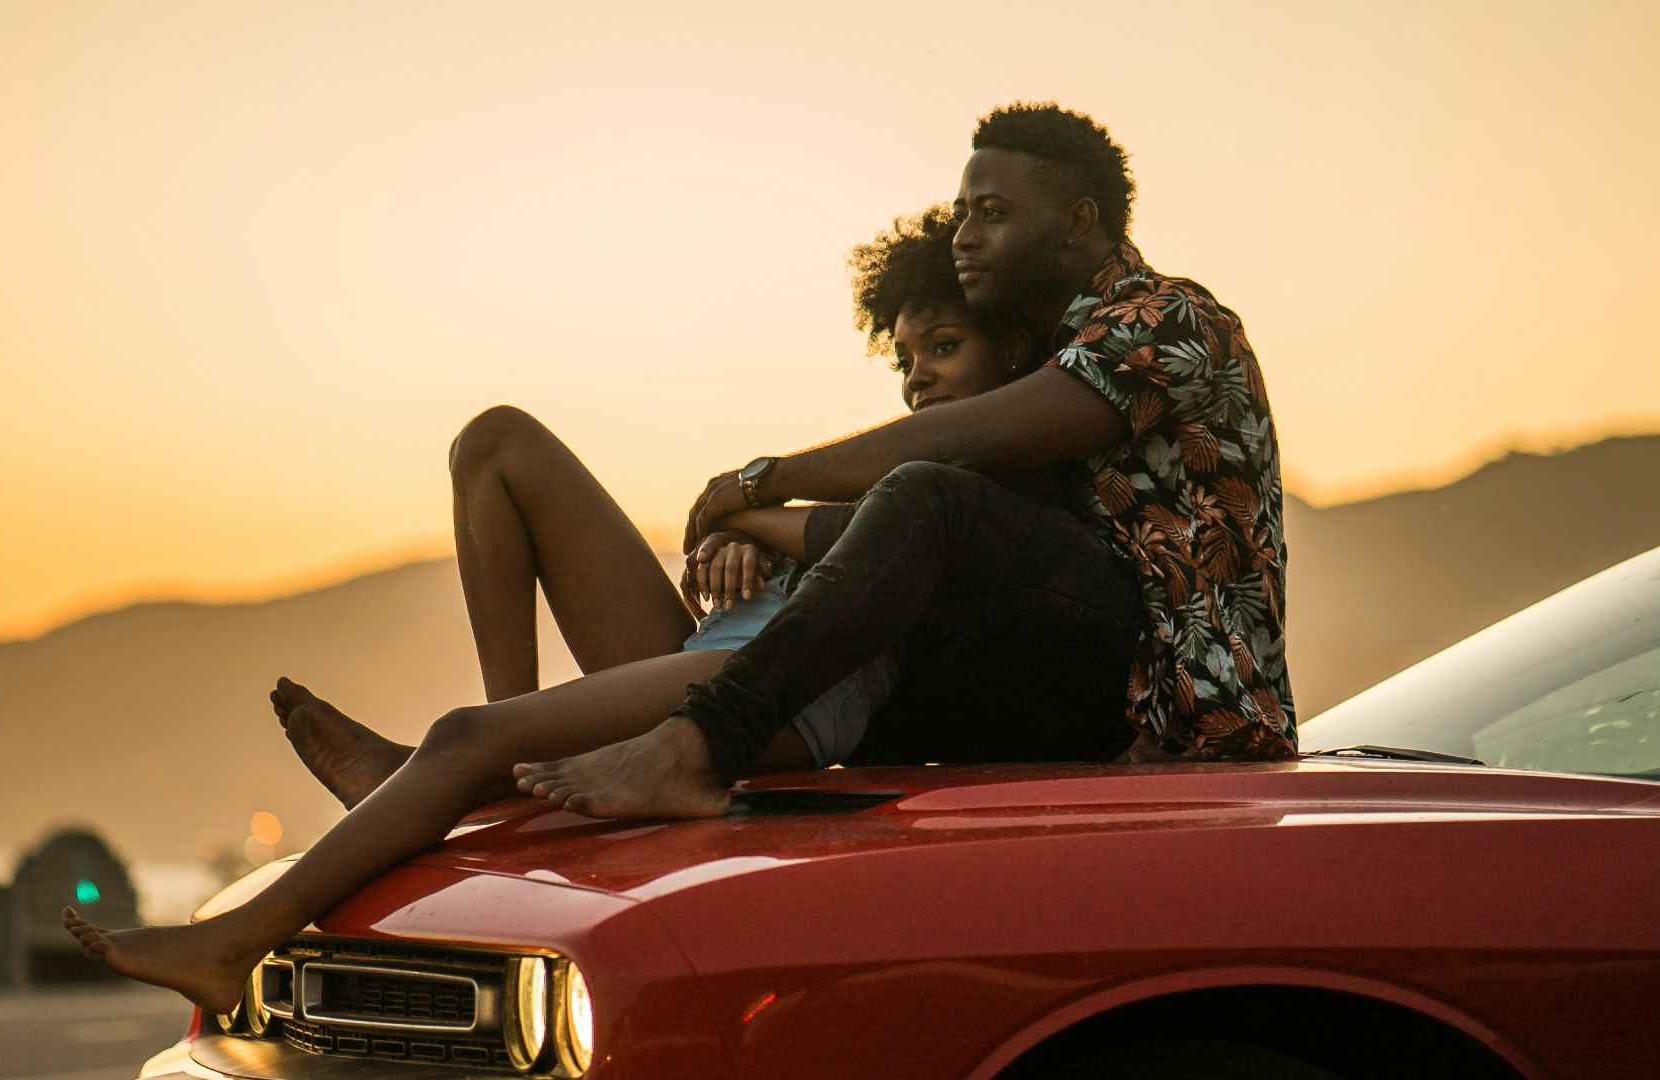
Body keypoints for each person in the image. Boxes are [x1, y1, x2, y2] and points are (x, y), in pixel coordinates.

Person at [61, 204, 1039, 1013]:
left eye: (946, 349)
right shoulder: (894, 471)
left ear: (1014, 358)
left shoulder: (996, 482)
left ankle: (236, 940)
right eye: (907, 358)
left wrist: (761, 521)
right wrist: (750, 535)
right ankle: (484, 774)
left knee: (465, 734)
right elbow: (820, 529)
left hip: (775, 696)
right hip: (709, 647)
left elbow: (893, 540)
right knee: (496, 444)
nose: (919, 379)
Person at [513, 102, 1296, 822]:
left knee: (929, 496)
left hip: (1196, 713)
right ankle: (544, 760)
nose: (963, 235)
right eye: (961, 214)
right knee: (878, 641)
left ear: (1076, 222)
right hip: (1076, 685)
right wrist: (763, 533)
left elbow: (957, 447)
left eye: (992, 214)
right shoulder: (1050, 350)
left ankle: (693, 746)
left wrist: (766, 482)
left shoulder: (1166, 317)